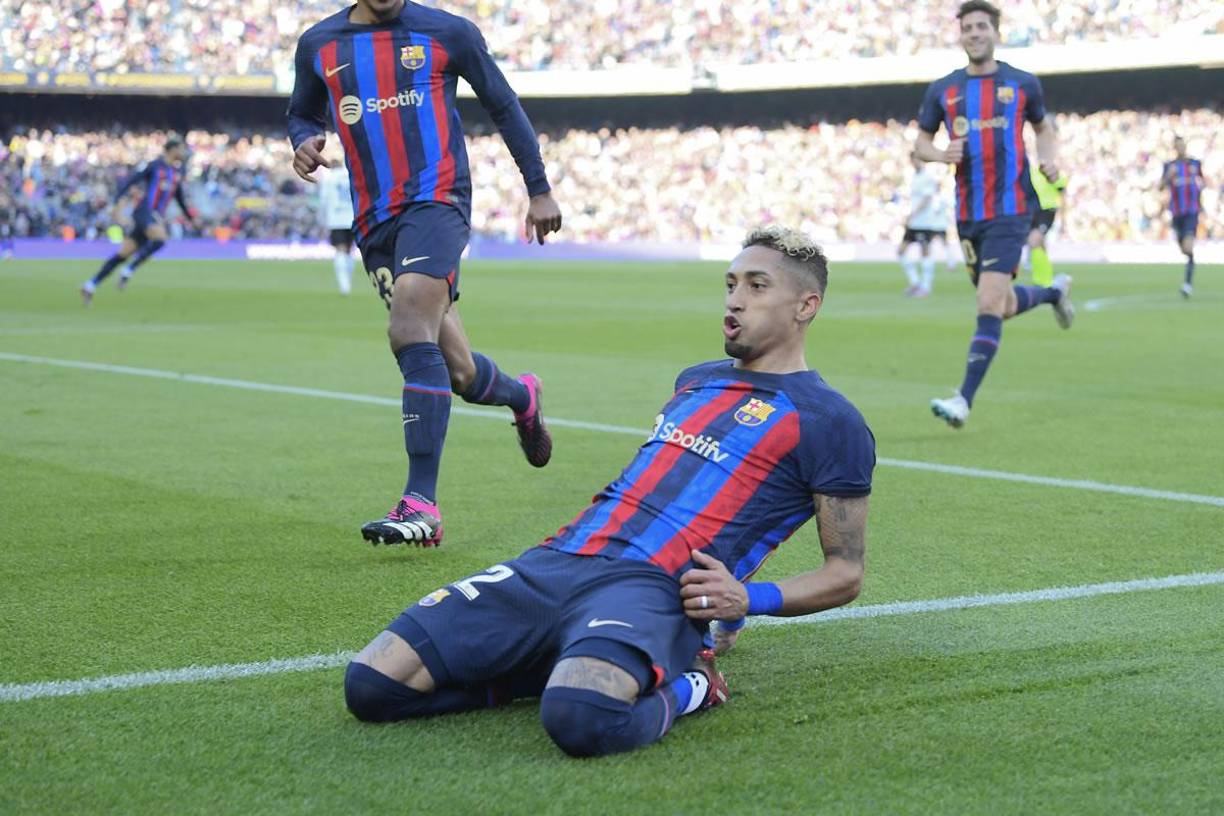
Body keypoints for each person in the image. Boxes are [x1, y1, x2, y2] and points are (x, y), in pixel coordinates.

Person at [341, 225, 876, 758]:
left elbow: (845, 573)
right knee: (373, 684)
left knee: (580, 718)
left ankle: (694, 685)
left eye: (757, 287)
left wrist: (745, 600)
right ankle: (552, 665)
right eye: (731, 283)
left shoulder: (830, 421)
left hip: (651, 586)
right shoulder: (696, 379)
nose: (735, 300)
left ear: (806, 306)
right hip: (559, 560)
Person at [286, 0, 564, 545]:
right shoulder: (319, 44)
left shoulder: (447, 32)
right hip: (374, 219)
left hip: (437, 201)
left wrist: (538, 187)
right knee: (457, 371)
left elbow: (503, 105)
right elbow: (302, 110)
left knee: (409, 328)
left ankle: (421, 503)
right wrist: (303, 140)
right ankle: (520, 396)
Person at [915, 0, 1075, 429]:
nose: (974, 33)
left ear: (995, 32)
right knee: (1000, 305)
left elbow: (1043, 128)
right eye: (967, 27)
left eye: (982, 26)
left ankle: (963, 400)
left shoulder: (1022, 84)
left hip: (1011, 209)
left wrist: (1049, 160)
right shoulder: (944, 90)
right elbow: (920, 144)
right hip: (968, 214)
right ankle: (1053, 293)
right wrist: (938, 153)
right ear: (960, 35)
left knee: (987, 301)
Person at [80, 136, 197, 306]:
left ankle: (90, 285)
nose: (183, 152)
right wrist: (118, 198)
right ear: (172, 149)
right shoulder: (155, 166)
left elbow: (179, 199)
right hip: (144, 212)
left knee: (122, 254)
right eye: (181, 148)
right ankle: (129, 270)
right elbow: (133, 180)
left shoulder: (175, 173)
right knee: (160, 239)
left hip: (154, 216)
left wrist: (190, 218)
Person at [898, 153, 949, 298]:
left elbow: (927, 198)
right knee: (901, 251)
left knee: (925, 252)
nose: (915, 162)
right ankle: (915, 282)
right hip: (914, 222)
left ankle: (926, 287)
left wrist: (913, 214)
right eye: (913, 159)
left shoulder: (928, 177)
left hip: (924, 222)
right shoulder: (914, 176)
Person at [1162, 136, 1205, 298]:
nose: (1181, 148)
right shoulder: (1170, 166)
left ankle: (1187, 284)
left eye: (1183, 146)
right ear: (1175, 148)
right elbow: (1161, 186)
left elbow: (1203, 182)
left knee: (1188, 247)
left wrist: (1200, 200)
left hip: (1192, 211)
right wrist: (1169, 177)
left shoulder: (1195, 164)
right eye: (1178, 146)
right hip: (1176, 212)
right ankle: (1190, 263)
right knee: (1184, 250)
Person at [317, 162, 356, 295]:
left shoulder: (328, 178)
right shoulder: (351, 176)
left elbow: (323, 200)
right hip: (352, 217)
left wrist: (322, 220)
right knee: (349, 250)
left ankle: (344, 286)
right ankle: (348, 282)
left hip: (336, 218)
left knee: (340, 249)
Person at [1026, 161, 1067, 287]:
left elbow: (1062, 190)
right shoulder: (1028, 168)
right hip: (1032, 209)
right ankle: (1047, 276)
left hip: (1047, 209)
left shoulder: (1051, 169)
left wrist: (1064, 218)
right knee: (1039, 244)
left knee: (1034, 240)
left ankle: (1041, 280)